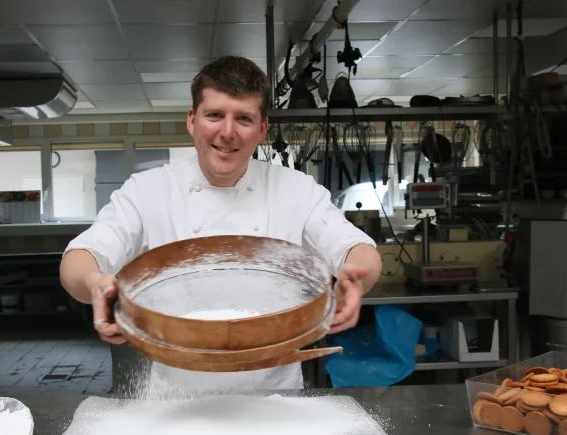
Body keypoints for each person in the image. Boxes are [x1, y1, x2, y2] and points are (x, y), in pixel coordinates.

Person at [60, 56, 382, 393]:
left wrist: (356, 276)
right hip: (174, 402)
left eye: (243, 118)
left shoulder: (297, 190)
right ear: (192, 120)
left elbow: (357, 249)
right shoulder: (148, 190)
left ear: (261, 129)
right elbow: (79, 259)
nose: (227, 132)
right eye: (215, 115)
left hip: (275, 401)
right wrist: (94, 282)